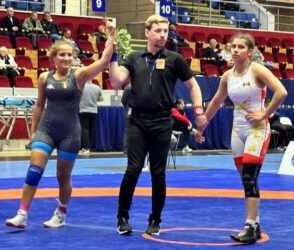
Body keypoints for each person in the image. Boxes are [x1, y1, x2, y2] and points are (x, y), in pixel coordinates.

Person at [5, 21, 115, 229]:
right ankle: (22, 214)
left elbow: (102, 63)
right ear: (53, 58)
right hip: (46, 130)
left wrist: (111, 37)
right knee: (34, 171)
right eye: (61, 55)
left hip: (70, 134)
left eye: (69, 55)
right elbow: (39, 106)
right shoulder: (44, 77)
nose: (66, 58)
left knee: (62, 177)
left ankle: (60, 214)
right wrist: (33, 132)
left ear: (74, 58)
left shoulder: (79, 76)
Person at [109, 14, 207, 236]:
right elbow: (116, 80)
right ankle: (122, 218)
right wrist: (113, 54)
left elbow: (194, 86)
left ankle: (155, 220)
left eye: (165, 31)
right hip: (137, 123)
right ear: (147, 32)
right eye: (158, 31)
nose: (163, 35)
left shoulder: (174, 59)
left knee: (158, 173)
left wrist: (198, 111)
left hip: (162, 122)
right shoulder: (134, 58)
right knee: (132, 170)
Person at [195, 33, 287, 244]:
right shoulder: (227, 76)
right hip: (238, 130)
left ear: (250, 51)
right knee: (247, 179)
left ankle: (249, 227)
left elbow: (281, 92)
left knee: (248, 178)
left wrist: (264, 114)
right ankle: (254, 225)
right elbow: (217, 102)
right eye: (233, 46)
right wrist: (202, 125)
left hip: (257, 130)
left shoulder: (257, 70)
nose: (235, 50)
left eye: (240, 47)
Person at [79, 82, 104, 153]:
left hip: (83, 110)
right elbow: (101, 99)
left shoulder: (81, 87)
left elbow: (77, 97)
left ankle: (85, 148)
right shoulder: (97, 87)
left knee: (84, 129)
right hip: (93, 111)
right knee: (91, 130)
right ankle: (88, 147)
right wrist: (93, 100)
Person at [121, 84, 132, 154]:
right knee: (128, 129)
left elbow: (123, 100)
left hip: (133, 111)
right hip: (130, 111)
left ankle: (127, 148)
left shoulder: (128, 87)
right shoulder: (129, 87)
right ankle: (126, 148)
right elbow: (123, 100)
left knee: (128, 130)